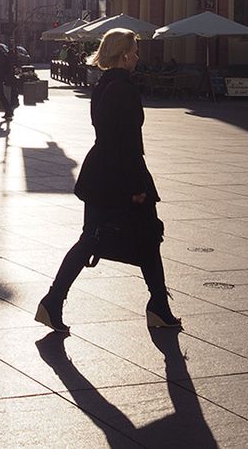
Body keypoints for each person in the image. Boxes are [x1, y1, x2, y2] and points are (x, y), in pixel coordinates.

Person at [36, 28, 181, 334]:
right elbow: (125, 140)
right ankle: (54, 300)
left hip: (101, 171)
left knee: (110, 238)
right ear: (125, 54)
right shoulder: (124, 88)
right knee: (140, 236)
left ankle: (158, 306)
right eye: (135, 50)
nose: (138, 56)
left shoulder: (104, 85)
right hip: (121, 173)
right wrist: (137, 187)